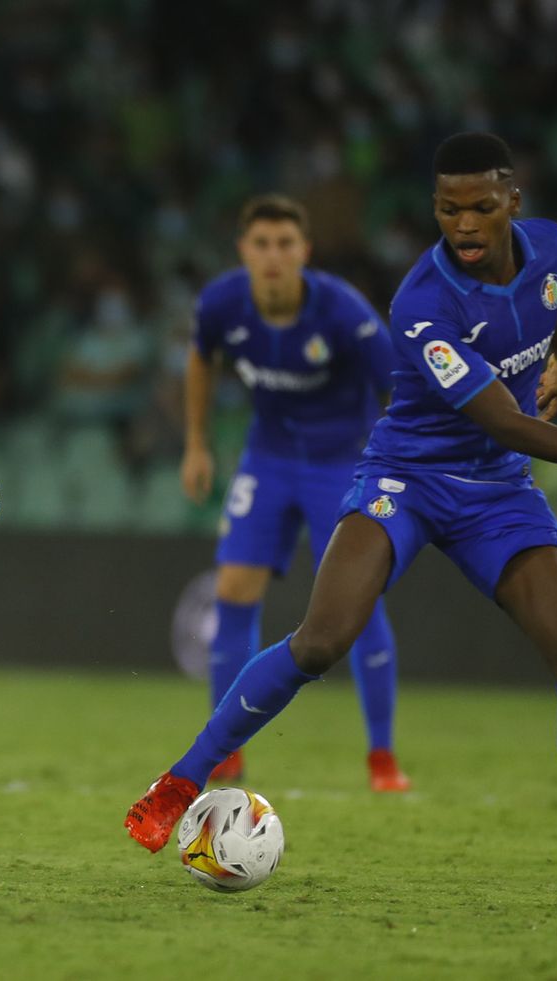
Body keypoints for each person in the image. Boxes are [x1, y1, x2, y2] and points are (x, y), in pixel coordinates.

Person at [125, 132, 557, 914]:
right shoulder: (423, 304)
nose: (463, 224)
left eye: (481, 208)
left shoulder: (554, 247)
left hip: (499, 494)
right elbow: (507, 424)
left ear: (512, 204)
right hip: (409, 478)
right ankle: (181, 780)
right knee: (322, 639)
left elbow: (547, 312)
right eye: (447, 208)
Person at [184, 194, 408, 790]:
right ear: (244, 252)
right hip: (269, 457)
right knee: (234, 589)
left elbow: (397, 387)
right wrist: (196, 443)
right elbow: (200, 359)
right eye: (262, 245)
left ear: (304, 252)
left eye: (286, 245)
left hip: (342, 462)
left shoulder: (343, 311)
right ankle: (228, 752)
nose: (274, 256)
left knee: (359, 600)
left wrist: (397, 466)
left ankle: (381, 756)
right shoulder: (221, 304)